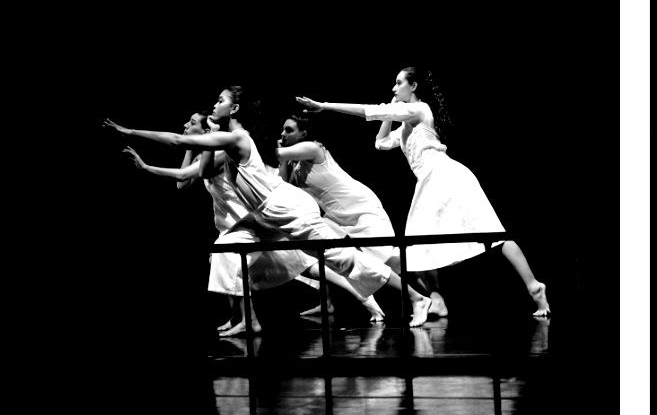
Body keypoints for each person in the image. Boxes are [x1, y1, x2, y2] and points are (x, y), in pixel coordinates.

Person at [106, 86, 431, 325]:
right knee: (236, 255)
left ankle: (417, 298)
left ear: (234, 110)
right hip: (264, 219)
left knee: (343, 259)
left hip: (285, 210)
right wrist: (150, 161)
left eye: (220, 100)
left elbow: (179, 141)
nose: (214, 104)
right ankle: (249, 320)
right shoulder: (231, 139)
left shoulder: (238, 138)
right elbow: (198, 169)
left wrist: (130, 131)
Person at [296, 66, 551, 326]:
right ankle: (436, 299)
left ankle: (534, 287)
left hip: (446, 175)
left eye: (398, 83)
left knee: (491, 234)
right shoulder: (407, 123)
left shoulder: (420, 110)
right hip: (431, 180)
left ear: (413, 86)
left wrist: (324, 106)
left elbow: (368, 111)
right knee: (417, 246)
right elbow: (380, 143)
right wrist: (390, 109)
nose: (394, 89)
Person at [277, 114, 405, 321]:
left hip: (359, 207)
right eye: (283, 130)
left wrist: (236, 143)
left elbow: (274, 154)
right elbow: (284, 189)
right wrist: (284, 162)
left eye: (289, 130)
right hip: (336, 216)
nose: (283, 134)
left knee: (389, 259)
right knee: (322, 253)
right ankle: (327, 303)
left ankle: (427, 297)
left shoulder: (313, 148)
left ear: (304, 134)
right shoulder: (296, 164)